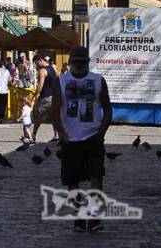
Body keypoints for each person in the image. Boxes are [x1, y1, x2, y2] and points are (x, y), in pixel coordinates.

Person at [51, 45, 112, 233]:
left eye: (82, 62)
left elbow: (107, 108)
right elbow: (54, 110)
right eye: (75, 61)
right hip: (70, 140)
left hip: (93, 137)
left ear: (87, 62)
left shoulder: (97, 80)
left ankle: (94, 217)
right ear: (70, 62)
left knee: (96, 178)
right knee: (72, 181)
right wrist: (61, 132)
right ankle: (78, 218)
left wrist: (101, 132)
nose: (78, 65)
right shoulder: (61, 81)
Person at [31, 53, 59, 142]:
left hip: (45, 97)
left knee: (37, 116)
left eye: (36, 63)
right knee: (54, 116)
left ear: (40, 61)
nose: (36, 65)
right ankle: (56, 136)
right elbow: (58, 78)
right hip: (54, 96)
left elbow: (40, 85)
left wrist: (35, 95)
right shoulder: (53, 67)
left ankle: (33, 135)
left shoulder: (42, 70)